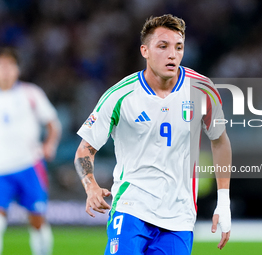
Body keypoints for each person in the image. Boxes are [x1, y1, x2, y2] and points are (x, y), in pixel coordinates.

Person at [74, 14, 232, 255]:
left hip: (180, 215)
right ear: (144, 51)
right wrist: (91, 186)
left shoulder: (203, 90)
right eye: (163, 46)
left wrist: (224, 201)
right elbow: (85, 149)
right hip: (131, 207)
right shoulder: (120, 96)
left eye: (179, 47)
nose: (172, 54)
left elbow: (220, 141)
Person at [0, 47, 61, 255]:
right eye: (1, 66)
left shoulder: (31, 93)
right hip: (1, 171)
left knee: (37, 220)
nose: (5, 70)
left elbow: (53, 123)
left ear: (17, 69)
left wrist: (49, 145)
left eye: (9, 65)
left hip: (29, 166)